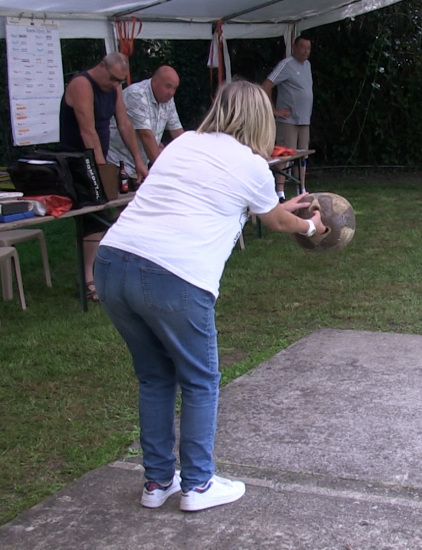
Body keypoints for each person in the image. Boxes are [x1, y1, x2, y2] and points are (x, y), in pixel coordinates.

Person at [93, 80, 325, 512]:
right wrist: (311, 227)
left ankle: (158, 483)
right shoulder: (252, 165)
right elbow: (275, 223)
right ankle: (197, 486)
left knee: (155, 377)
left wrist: (285, 213)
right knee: (200, 380)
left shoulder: (182, 146)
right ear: (260, 118)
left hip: (111, 263)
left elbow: (263, 209)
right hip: (173, 275)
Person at [59, 52, 149, 301]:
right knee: (93, 214)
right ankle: (88, 280)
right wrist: (100, 169)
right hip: (76, 161)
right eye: (112, 79)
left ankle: (104, 269)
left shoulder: (114, 86)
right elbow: (88, 131)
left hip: (98, 159)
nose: (114, 85)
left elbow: (124, 124)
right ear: (101, 66)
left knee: (109, 212)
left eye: (119, 81)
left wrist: (139, 162)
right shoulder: (81, 84)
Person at [107, 65, 185, 179]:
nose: (171, 92)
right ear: (155, 81)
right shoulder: (137, 94)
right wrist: (165, 173)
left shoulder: (167, 99)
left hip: (140, 165)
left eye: (174, 88)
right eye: (168, 86)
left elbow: (178, 132)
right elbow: (145, 135)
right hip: (118, 163)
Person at [261, 36, 313, 202]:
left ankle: (301, 188)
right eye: (302, 47)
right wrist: (274, 110)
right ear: (294, 47)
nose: (306, 51)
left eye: (308, 48)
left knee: (302, 155)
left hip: (304, 119)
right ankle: (280, 192)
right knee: (285, 154)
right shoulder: (286, 64)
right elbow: (266, 85)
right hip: (288, 120)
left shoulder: (308, 65)